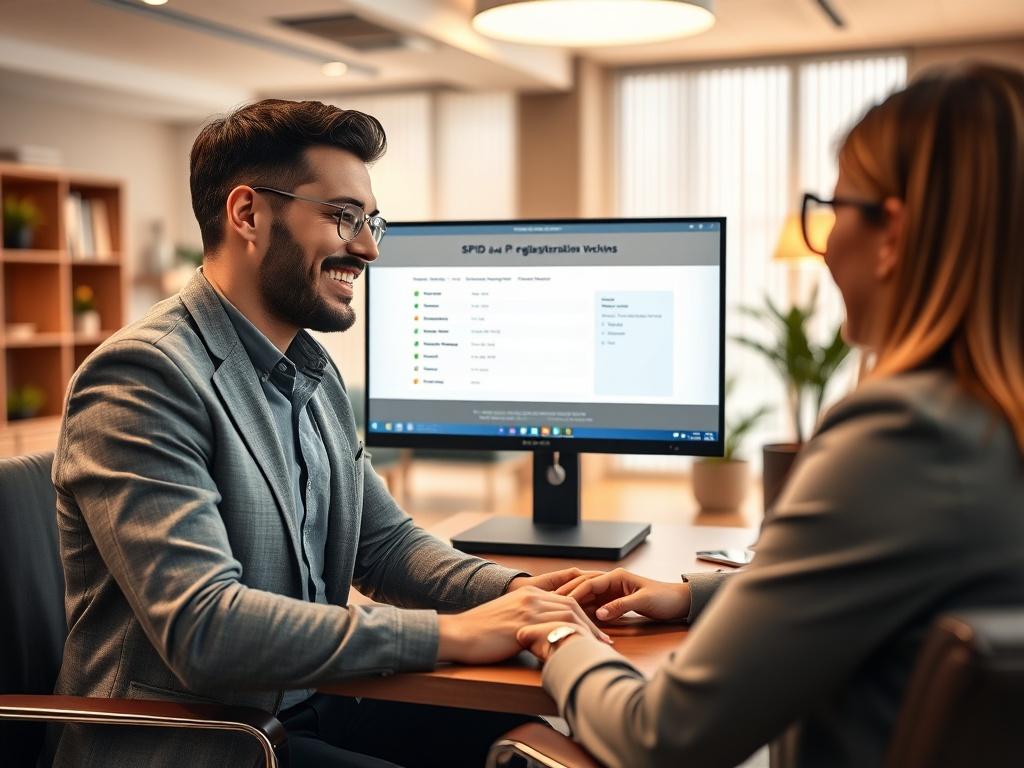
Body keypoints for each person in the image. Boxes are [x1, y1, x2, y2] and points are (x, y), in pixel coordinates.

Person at [50, 99, 608, 768]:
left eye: (371, 222)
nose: (369, 247)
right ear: (248, 214)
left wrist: (517, 593)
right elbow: (206, 628)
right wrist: (449, 635)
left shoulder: (309, 372)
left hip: (303, 706)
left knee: (555, 743)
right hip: (195, 741)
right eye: (345, 217)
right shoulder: (144, 378)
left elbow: (385, 544)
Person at [512, 62, 1024, 768]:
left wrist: (559, 638)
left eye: (833, 207)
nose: (825, 243)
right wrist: (697, 598)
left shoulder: (904, 436)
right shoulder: (991, 430)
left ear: (893, 234)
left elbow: (661, 737)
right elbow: (901, 591)